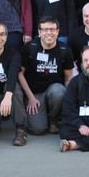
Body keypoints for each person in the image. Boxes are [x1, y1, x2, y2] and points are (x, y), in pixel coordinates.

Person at [14, 16, 74, 144]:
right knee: (37, 129)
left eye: (52, 29)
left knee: (59, 91)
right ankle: (42, 116)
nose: (49, 33)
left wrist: (68, 102)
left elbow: (69, 78)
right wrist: (30, 97)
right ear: (39, 32)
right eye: (45, 29)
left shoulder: (64, 50)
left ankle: (53, 119)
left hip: (53, 91)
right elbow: (20, 74)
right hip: (34, 93)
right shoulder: (30, 48)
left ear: (58, 31)